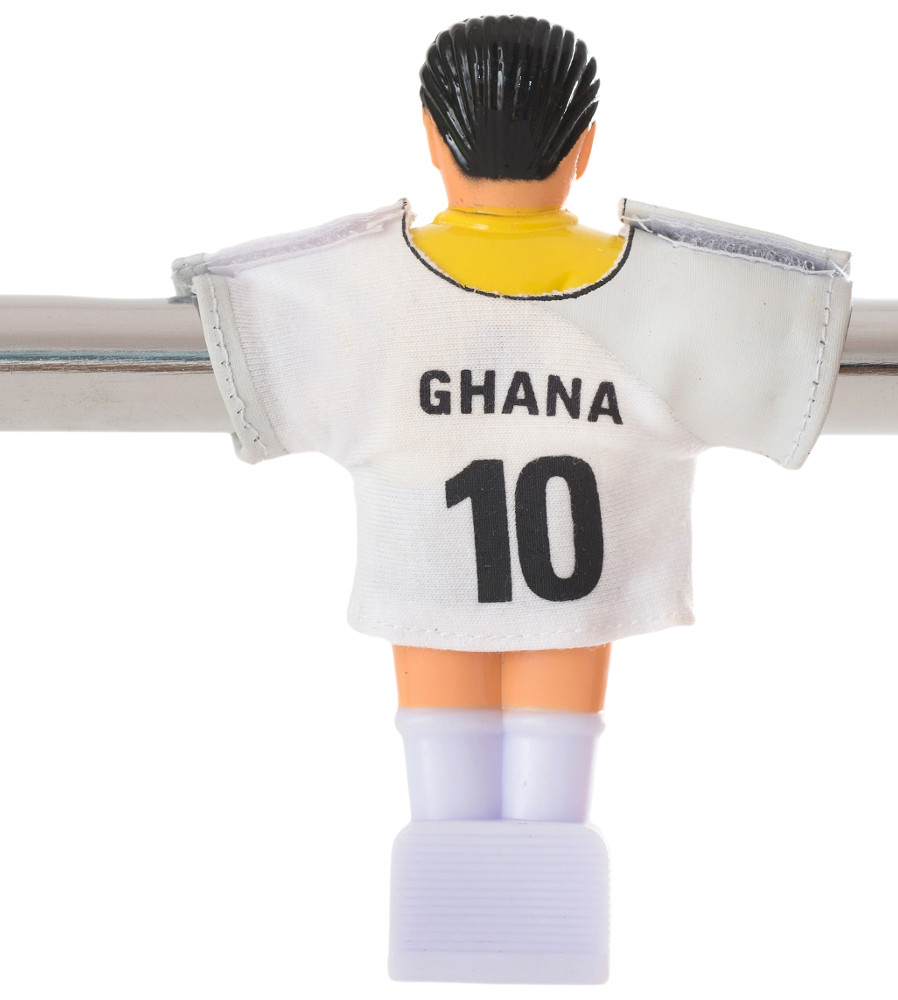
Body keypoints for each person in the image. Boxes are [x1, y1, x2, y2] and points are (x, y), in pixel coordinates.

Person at [172, 15, 852, 985]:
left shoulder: (361, 290)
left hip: (429, 583)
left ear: (431, 138)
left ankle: (456, 920)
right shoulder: (663, 293)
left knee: (439, 752)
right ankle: (539, 919)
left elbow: (254, 312)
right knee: (554, 756)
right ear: (584, 148)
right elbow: (781, 323)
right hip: (578, 598)